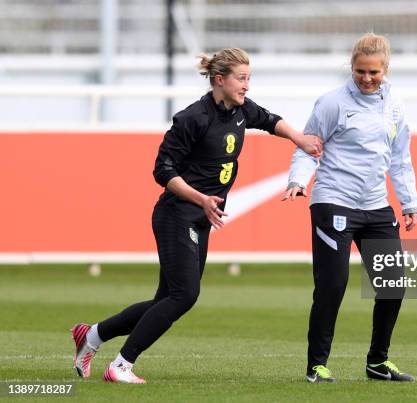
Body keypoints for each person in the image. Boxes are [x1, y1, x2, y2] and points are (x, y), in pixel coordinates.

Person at [70, 48, 322, 384]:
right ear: (220, 79)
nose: (247, 85)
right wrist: (201, 198)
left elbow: (270, 120)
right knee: (184, 295)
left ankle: (92, 336)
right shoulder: (192, 118)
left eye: (249, 78)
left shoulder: (242, 110)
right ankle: (121, 366)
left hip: (200, 218)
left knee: (167, 299)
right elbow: (162, 170)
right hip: (177, 215)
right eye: (241, 78)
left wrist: (300, 139)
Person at [283, 33, 417, 383]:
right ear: (352, 67)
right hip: (333, 201)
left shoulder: (396, 104)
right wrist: (298, 181)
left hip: (376, 206)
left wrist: (409, 202)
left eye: (374, 72)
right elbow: (307, 146)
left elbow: (400, 158)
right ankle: (317, 365)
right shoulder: (332, 103)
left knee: (393, 286)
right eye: (360, 71)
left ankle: (378, 361)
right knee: (333, 284)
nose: (366, 78)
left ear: (386, 68)